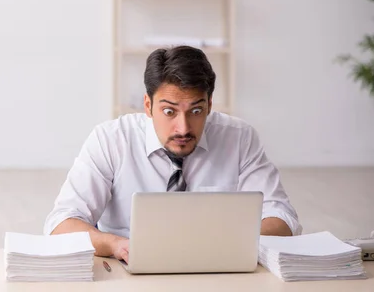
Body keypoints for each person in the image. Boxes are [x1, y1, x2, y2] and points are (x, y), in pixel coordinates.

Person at [43, 45, 302, 264]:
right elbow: (61, 224)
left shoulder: (239, 137)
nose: (183, 128)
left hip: (217, 267)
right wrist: (115, 245)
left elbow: (282, 217)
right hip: (128, 268)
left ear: (210, 104)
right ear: (148, 105)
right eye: (169, 112)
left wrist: (225, 243)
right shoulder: (111, 139)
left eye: (196, 111)